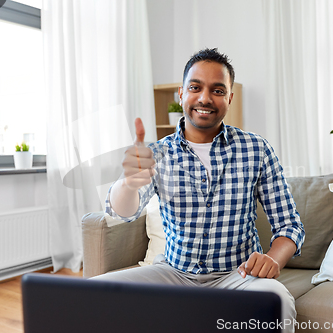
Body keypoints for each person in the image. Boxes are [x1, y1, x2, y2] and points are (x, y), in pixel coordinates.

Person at [98, 48, 305, 332]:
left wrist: (272, 259)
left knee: (278, 302)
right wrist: (128, 182)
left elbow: (290, 226)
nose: (205, 98)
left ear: (229, 98)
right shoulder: (156, 154)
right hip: (174, 274)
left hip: (239, 276)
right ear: (181, 94)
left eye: (217, 90)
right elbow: (121, 213)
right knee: (94, 294)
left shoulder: (257, 149)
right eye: (195, 87)